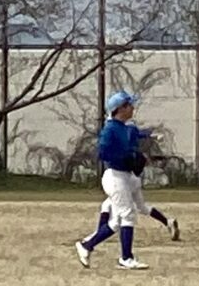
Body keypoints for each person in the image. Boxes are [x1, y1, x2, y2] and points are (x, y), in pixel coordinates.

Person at [75, 91, 177, 271]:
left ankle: (87, 245)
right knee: (128, 215)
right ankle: (126, 258)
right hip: (115, 176)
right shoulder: (110, 129)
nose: (132, 108)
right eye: (129, 105)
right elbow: (103, 152)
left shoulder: (123, 127)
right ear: (120, 109)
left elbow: (135, 134)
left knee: (117, 221)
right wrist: (126, 157)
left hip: (125, 176)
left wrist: (149, 137)